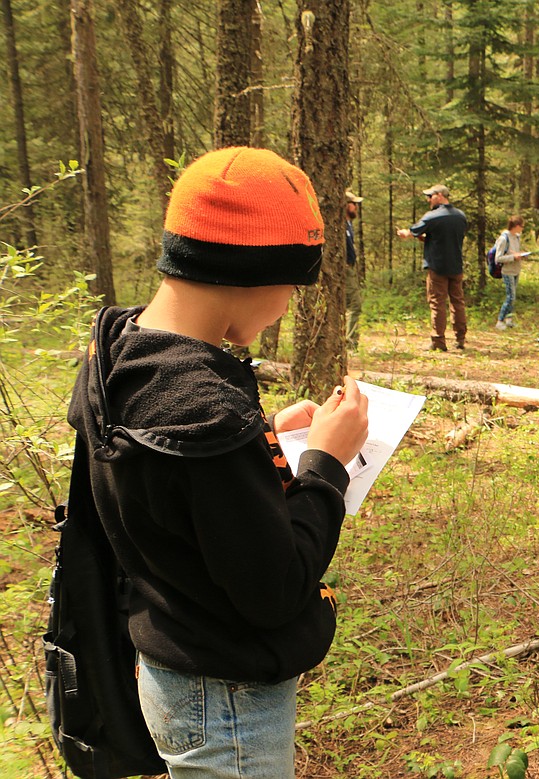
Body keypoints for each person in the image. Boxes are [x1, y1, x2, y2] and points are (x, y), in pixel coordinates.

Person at [67, 147, 370, 777]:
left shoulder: (124, 352)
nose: (289, 302)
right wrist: (326, 465)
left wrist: (259, 438)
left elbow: (173, 491)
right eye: (292, 282)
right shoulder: (201, 410)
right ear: (247, 271)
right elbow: (275, 589)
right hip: (225, 694)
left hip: (173, 660)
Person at [396, 184, 469, 351]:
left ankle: (438, 341)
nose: (428, 199)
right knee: (458, 302)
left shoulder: (433, 216)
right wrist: (426, 238)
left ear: (439, 195)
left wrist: (404, 233)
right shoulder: (460, 216)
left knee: (437, 303)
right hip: (456, 266)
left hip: (437, 267)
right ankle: (460, 339)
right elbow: (445, 237)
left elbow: (413, 231)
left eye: (430, 196)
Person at [493, 214, 525, 330]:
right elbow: (498, 258)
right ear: (516, 226)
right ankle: (500, 320)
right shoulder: (503, 239)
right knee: (510, 297)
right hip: (507, 271)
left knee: (513, 296)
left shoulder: (516, 237)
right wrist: (513, 258)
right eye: (521, 226)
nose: (522, 228)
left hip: (516, 270)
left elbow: (514, 252)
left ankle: (509, 320)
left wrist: (519, 255)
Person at [345, 189, 363, 351]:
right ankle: (350, 342)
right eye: (353, 204)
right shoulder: (339, 225)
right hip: (344, 270)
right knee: (355, 304)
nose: (356, 208)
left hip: (349, 269)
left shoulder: (348, 225)